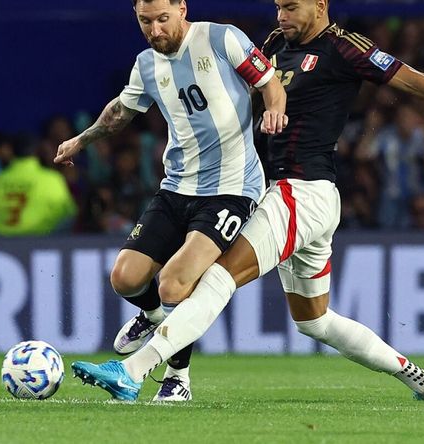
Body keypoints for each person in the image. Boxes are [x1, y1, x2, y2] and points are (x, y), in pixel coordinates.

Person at [71, 0, 424, 402]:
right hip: (289, 195)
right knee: (314, 321)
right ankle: (417, 378)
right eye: (278, 6)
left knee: (216, 276)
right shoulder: (277, 44)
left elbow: (413, 80)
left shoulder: (345, 48)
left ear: (321, 4)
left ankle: (133, 373)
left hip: (302, 190)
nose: (282, 15)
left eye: (292, 6)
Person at [53, 0, 287, 400]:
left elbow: (270, 83)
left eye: (163, 19)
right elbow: (119, 113)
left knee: (174, 281)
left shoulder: (221, 39)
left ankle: (178, 379)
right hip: (177, 187)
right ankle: (154, 317)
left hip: (232, 189)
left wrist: (274, 112)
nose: (156, 30)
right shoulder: (146, 64)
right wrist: (82, 138)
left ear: (182, 8)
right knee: (125, 278)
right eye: (146, 21)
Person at [0, 135, 78, 236]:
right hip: (41, 244)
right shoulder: (52, 179)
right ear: (37, 152)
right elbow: (70, 213)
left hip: (1, 243)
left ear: (12, 152)